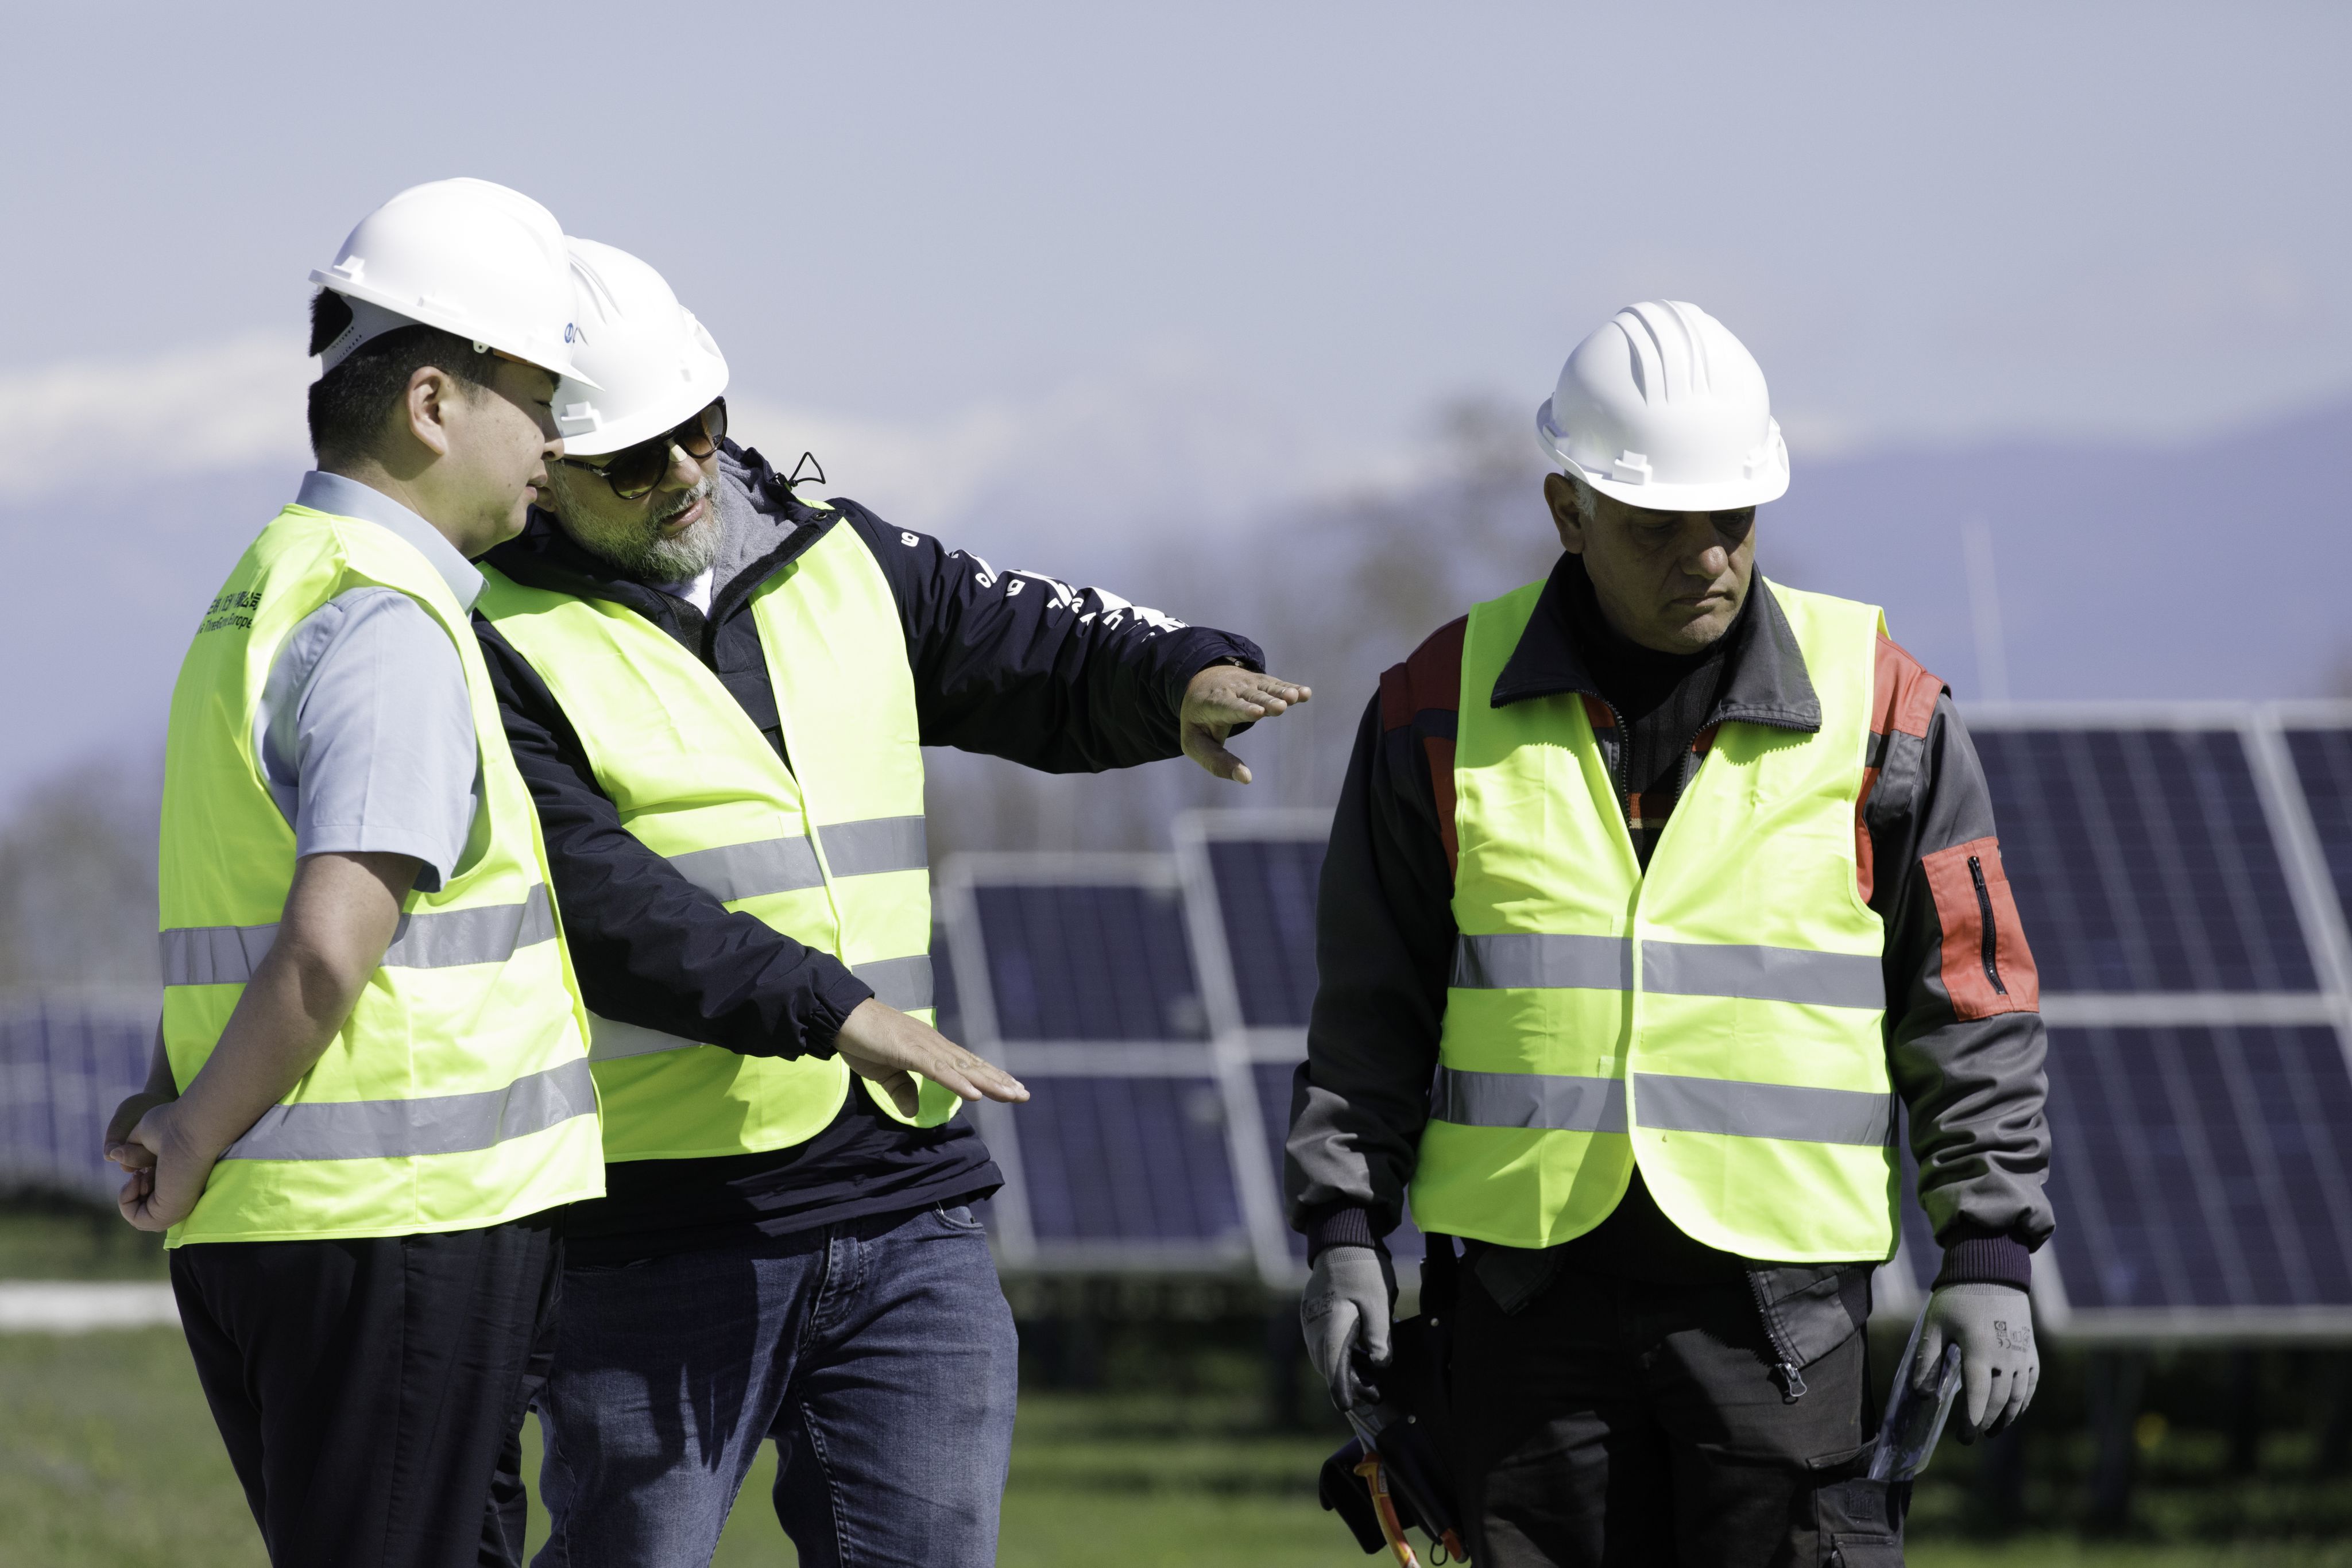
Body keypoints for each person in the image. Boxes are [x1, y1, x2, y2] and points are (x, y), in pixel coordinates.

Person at [469, 238, 1310, 1568]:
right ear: (541, 469)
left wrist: (1180, 679)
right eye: (636, 459)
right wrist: (830, 1007)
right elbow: (600, 902)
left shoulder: (845, 556)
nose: (687, 471)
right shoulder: (483, 638)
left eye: (701, 427)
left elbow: (1032, 639)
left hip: (907, 1202)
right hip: (657, 1228)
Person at [1286, 300, 2052, 1565]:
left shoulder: (1885, 710)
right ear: (1566, 510)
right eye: (1659, 527)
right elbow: (1367, 1016)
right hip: (1522, 1319)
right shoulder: (1432, 708)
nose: (1704, 555)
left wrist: (1984, 1244)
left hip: (1782, 1326)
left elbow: (1967, 1002)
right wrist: (1339, 1236)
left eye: (1732, 520)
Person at [102, 179, 606, 1568]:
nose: (554, 443)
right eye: (535, 395)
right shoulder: (385, 619)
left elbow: (242, 913)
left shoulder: (264, 587)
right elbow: (327, 943)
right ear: (433, 402)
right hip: (394, 1226)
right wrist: (195, 1127)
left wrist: (178, 1102)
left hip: (286, 1230)